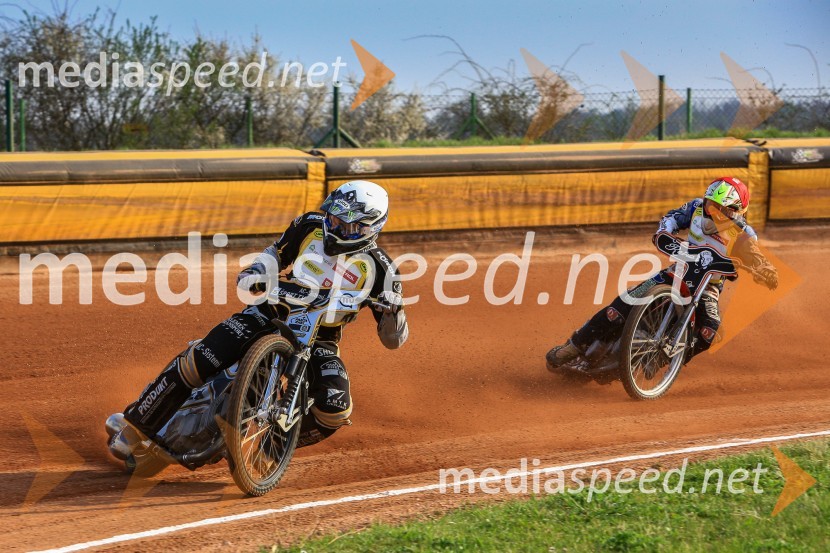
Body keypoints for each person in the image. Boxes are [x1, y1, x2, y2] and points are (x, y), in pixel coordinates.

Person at [109, 180, 409, 460]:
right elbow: (275, 253)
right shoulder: (309, 225)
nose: (336, 227)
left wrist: (392, 313)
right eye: (333, 219)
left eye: (348, 224)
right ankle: (135, 425)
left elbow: (393, 341)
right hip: (273, 311)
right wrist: (257, 270)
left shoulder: (383, 271)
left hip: (321, 339)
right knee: (202, 358)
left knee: (335, 408)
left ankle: (269, 449)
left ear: (371, 228)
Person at [546, 176, 779, 370]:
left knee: (709, 332)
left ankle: (660, 360)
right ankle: (575, 345)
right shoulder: (695, 208)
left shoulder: (744, 234)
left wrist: (765, 271)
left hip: (708, 288)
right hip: (676, 273)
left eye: (719, 210)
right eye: (710, 205)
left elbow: (756, 257)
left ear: (736, 212)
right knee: (622, 305)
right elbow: (671, 219)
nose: (711, 213)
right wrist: (664, 231)